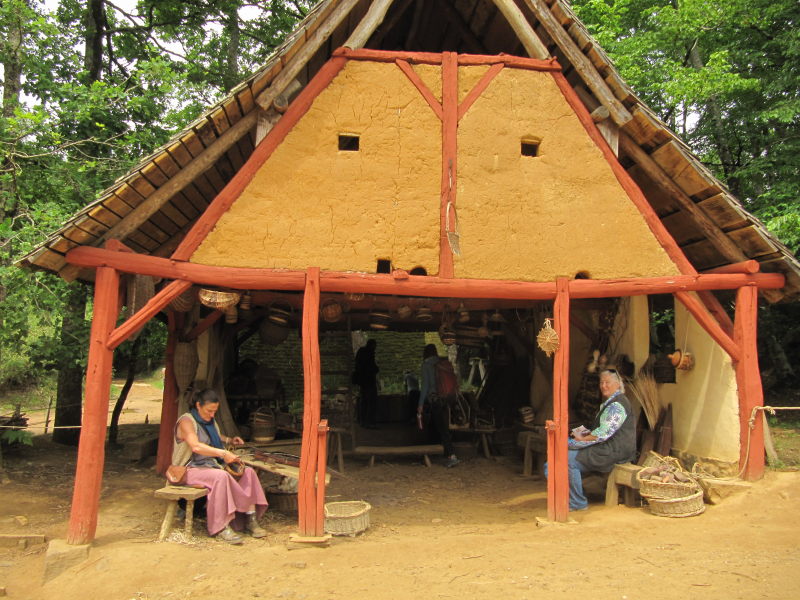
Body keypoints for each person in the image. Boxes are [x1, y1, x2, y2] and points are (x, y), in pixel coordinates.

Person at [172, 389, 268, 544]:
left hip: (210, 465)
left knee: (248, 472)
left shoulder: (209, 421)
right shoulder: (186, 421)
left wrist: (230, 440)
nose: (212, 415)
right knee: (220, 476)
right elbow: (196, 446)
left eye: (214, 411)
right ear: (198, 405)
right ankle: (220, 527)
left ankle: (250, 519)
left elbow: (215, 436)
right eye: (209, 411)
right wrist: (223, 454)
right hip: (189, 469)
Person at [546, 369, 636, 511]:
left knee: (568, 460)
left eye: (607, 382)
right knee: (554, 461)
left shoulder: (617, 405)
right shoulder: (610, 402)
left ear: (618, 384)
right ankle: (567, 497)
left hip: (613, 451)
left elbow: (602, 434)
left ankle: (577, 502)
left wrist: (581, 439)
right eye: (601, 382)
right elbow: (602, 430)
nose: (603, 386)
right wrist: (583, 434)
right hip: (607, 447)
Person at [418, 344, 459, 468]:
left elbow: (425, 387)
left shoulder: (426, 365)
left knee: (442, 428)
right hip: (446, 399)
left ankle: (451, 456)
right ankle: (432, 452)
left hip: (435, 400)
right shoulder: (442, 362)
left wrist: (420, 404)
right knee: (436, 425)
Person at [354, 339, 379, 427]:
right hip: (368, 381)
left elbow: (358, 365)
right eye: (374, 346)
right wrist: (376, 369)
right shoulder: (369, 353)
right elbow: (370, 366)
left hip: (363, 381)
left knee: (364, 401)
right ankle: (369, 422)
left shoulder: (362, 352)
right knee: (371, 401)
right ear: (372, 345)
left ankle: (363, 421)